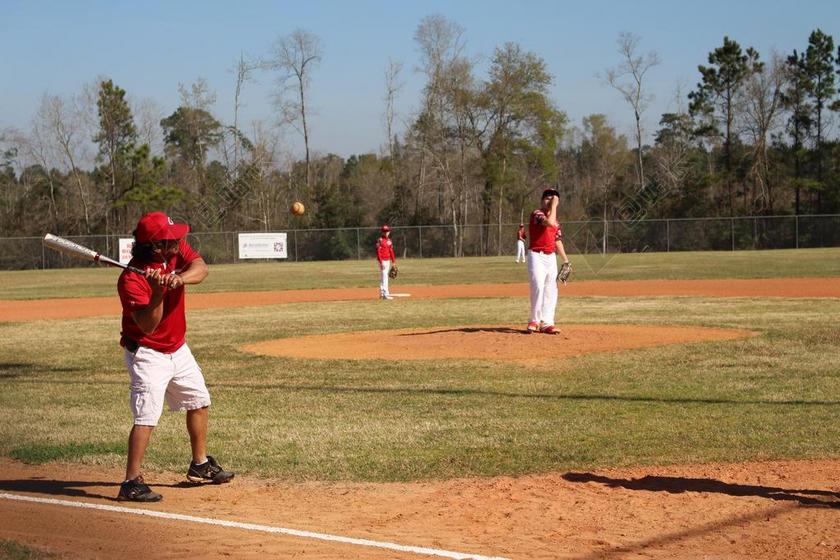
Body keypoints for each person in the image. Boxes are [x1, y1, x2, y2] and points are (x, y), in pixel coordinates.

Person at [116, 211, 234, 502]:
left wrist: (178, 279)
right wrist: (157, 293)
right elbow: (147, 324)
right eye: (172, 239)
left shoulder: (175, 251)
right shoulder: (131, 279)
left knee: (199, 400)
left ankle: (200, 464)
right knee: (146, 416)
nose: (180, 241)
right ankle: (131, 482)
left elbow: (201, 268)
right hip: (148, 353)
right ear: (157, 246)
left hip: (177, 347)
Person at [526, 188, 570, 335]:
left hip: (550, 257)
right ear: (541, 200)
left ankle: (547, 322)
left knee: (551, 290)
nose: (550, 200)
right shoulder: (536, 214)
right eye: (547, 197)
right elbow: (549, 223)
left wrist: (565, 260)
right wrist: (554, 205)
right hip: (536, 255)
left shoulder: (556, 220)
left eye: (553, 198)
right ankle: (534, 320)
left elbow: (557, 240)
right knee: (538, 285)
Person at [376, 224, 397, 300]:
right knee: (385, 276)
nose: (385, 232)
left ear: (389, 232)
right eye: (384, 231)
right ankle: (386, 294)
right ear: (381, 232)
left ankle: (382, 293)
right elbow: (378, 252)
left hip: (388, 260)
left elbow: (391, 251)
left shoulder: (389, 241)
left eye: (387, 231)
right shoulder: (380, 240)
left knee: (383, 276)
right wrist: (381, 262)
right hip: (382, 261)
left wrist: (393, 262)